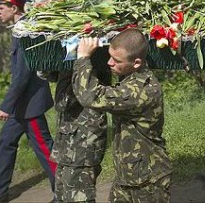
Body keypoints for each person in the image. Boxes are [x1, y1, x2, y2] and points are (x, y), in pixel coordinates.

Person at [0, 0, 56, 203]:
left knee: (44, 147)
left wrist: (6, 106)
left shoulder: (25, 31)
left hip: (31, 104)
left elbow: (22, 75)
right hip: (23, 103)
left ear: (13, 8)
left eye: (1, 8)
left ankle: (65, 192)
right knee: (6, 141)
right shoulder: (21, 29)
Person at [73, 29, 173, 202]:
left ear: (136, 63)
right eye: (110, 56)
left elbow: (90, 97)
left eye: (117, 60)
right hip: (128, 175)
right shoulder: (130, 79)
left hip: (148, 180)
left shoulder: (140, 91)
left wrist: (83, 58)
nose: (110, 63)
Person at [44, 68, 109, 203]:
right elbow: (52, 76)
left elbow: (63, 102)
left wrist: (67, 69)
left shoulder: (86, 63)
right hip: (68, 137)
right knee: (62, 193)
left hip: (82, 140)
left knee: (78, 195)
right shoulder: (76, 62)